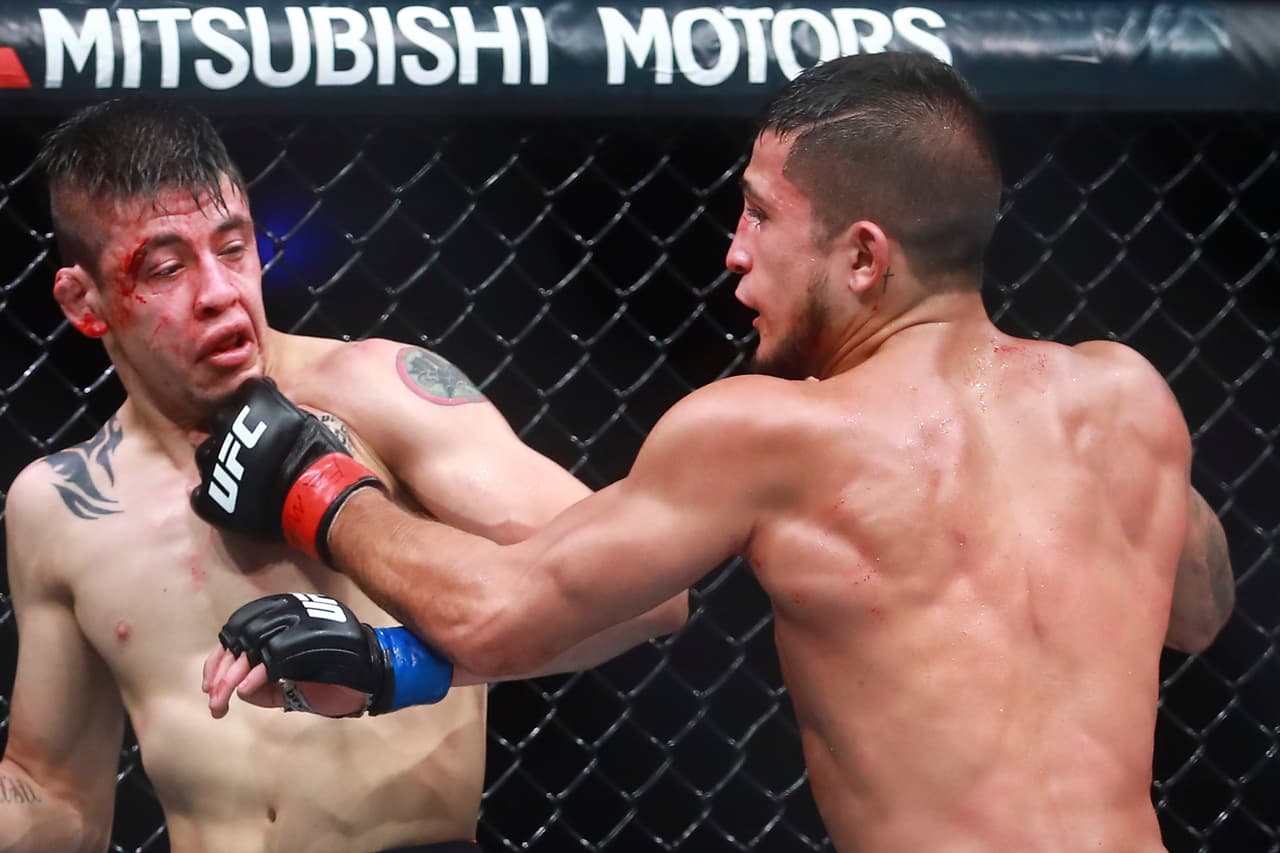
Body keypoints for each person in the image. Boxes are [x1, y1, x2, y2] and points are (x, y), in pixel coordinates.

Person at [200, 53, 1235, 851]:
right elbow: (1197, 610)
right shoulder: (1123, 397)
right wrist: (388, 664)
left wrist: (317, 484)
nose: (734, 248)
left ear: (863, 254)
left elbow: (501, 610)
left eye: (758, 211)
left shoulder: (770, 428)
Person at [0, 97, 687, 853]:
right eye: (166, 267)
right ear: (83, 301)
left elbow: (648, 590)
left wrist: (390, 663)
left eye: (233, 248)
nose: (221, 292)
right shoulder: (59, 505)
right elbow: (57, 791)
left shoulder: (375, 389)